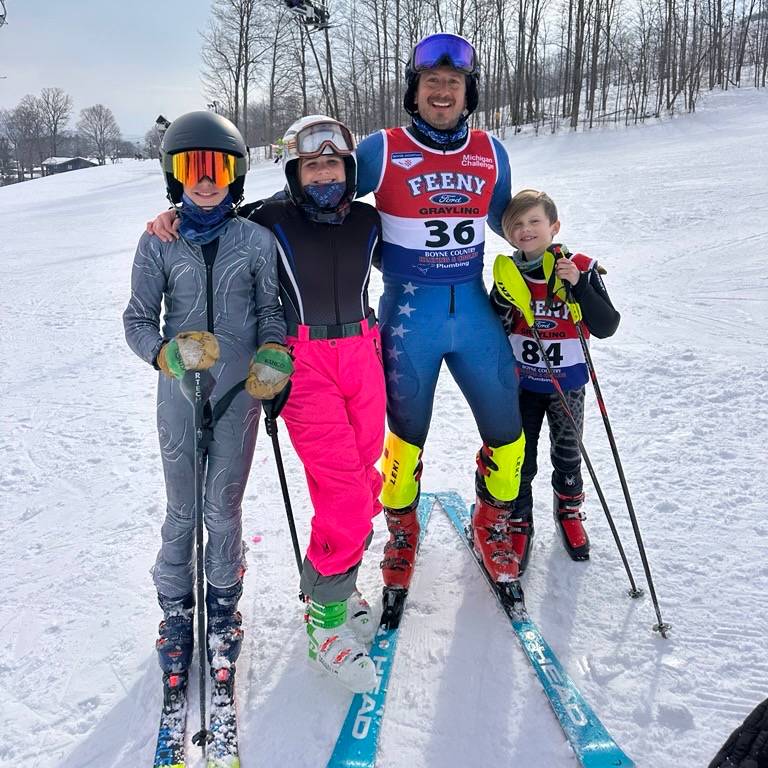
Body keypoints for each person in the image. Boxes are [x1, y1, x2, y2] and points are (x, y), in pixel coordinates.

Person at [148, 115, 385, 694]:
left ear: (349, 169)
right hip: (305, 362)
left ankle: (338, 582)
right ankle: (324, 623)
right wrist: (171, 216)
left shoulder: (370, 220)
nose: (324, 172)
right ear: (294, 172)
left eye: (334, 162)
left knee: (367, 481)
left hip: (364, 353)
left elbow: (432, 248)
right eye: (312, 164)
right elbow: (212, 218)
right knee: (343, 492)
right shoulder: (270, 218)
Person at [123, 111, 291, 698]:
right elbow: (137, 321)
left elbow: (271, 311)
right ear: (174, 174)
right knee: (182, 511)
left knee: (223, 509)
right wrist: (164, 352)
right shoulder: (157, 241)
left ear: (235, 173)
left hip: (239, 394)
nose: (204, 179)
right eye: (191, 167)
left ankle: (222, 608)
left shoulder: (257, 240)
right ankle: (175, 612)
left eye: (217, 166)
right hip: (179, 394)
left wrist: (273, 352)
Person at [353, 33, 527, 587]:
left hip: (472, 308)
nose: (443, 91)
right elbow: (323, 194)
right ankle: (401, 531)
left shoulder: (491, 151)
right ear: (415, 90)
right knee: (404, 435)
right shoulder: (381, 148)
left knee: (508, 429)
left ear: (468, 90)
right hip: (410, 314)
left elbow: (514, 225)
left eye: (454, 82)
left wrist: (556, 261)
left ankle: (493, 519)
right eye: (433, 82)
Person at [490, 189, 620, 571]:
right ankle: (519, 519)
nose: (525, 230)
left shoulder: (577, 265)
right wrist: (502, 300)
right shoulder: (507, 273)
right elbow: (494, 330)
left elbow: (607, 325)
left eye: (534, 222)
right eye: (517, 224)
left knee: (567, 454)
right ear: (508, 233)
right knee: (521, 460)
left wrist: (579, 283)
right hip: (524, 385)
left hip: (568, 386)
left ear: (553, 226)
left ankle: (569, 512)